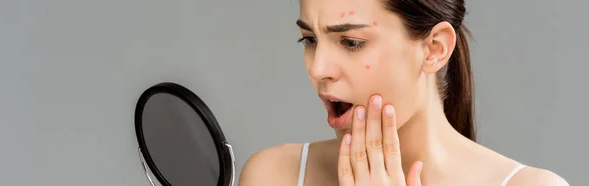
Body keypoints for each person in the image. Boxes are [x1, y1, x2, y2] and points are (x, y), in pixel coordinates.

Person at [239, 0, 569, 185]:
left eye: (352, 42)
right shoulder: (273, 174)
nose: (318, 68)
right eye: (310, 39)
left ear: (434, 49)